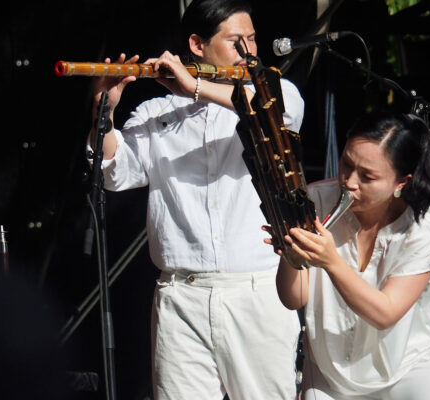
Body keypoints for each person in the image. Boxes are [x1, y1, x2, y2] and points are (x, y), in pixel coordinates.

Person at [88, 0, 304, 398]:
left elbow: (281, 111)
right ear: (197, 45)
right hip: (179, 295)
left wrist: (197, 86)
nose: (250, 52)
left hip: (256, 292)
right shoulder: (156, 114)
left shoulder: (270, 94)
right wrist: (104, 108)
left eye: (253, 40)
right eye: (237, 42)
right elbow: (114, 173)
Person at [270, 110, 430, 399]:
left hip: (410, 364)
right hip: (330, 367)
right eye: (346, 164)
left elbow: (385, 314)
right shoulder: (314, 200)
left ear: (402, 182)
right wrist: (290, 255)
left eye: (367, 176)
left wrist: (332, 262)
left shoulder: (425, 228)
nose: (349, 182)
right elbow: (293, 299)